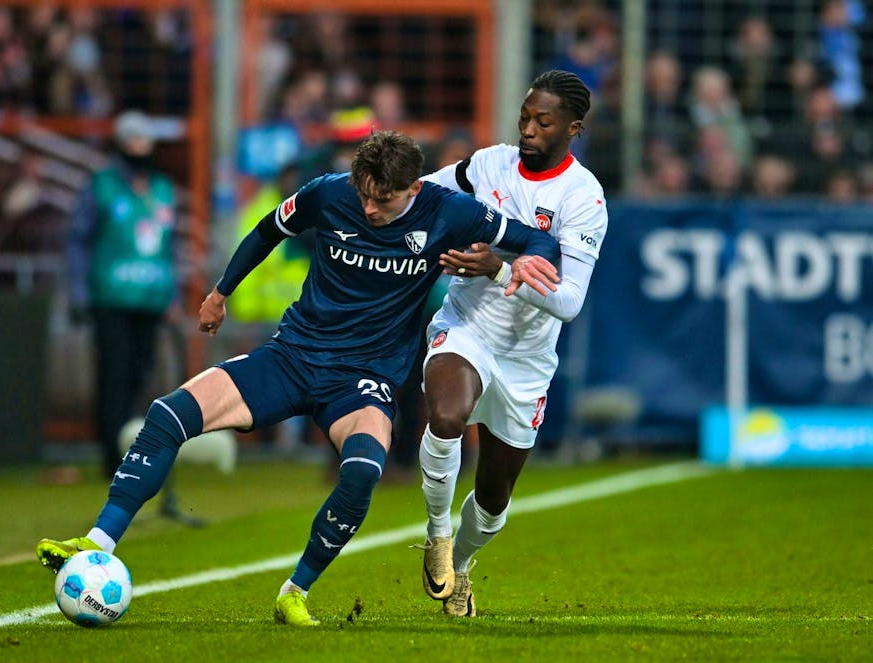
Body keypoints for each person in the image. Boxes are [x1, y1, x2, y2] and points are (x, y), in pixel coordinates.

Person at [35, 130, 562, 626]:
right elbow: (268, 230)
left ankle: (295, 592)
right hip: (293, 355)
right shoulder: (328, 195)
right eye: (364, 196)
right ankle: (97, 543)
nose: (370, 208)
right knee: (168, 413)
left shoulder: (450, 212)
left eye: (384, 200)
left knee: (361, 471)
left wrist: (510, 266)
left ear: (414, 188)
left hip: (364, 377)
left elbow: (540, 243)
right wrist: (221, 292)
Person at [417, 70, 608, 617]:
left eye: (542, 122)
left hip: (527, 358)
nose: (527, 129)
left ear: (572, 128)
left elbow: (569, 302)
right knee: (447, 416)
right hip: (467, 326)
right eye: (524, 117)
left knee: (495, 497)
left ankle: (465, 569)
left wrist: (499, 269)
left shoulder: (583, 197)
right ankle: (437, 539)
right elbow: (428, 190)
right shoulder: (488, 164)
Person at [65, 110, 184, 478]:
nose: (140, 147)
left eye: (145, 140)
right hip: (111, 298)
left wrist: (173, 295)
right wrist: (79, 291)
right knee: (113, 378)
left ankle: (136, 452)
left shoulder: (163, 188)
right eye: (133, 140)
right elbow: (79, 241)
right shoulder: (101, 186)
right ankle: (110, 456)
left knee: (141, 376)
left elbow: (169, 248)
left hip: (150, 298)